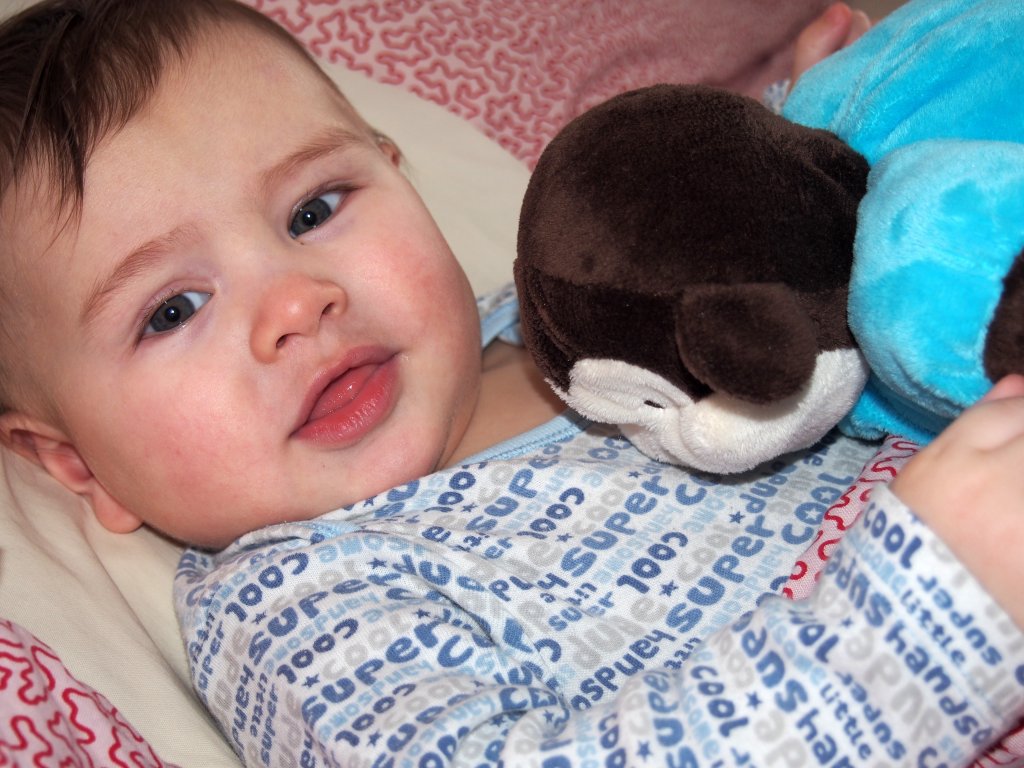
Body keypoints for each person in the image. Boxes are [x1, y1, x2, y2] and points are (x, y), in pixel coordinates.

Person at [0, 0, 1021, 765]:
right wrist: (921, 624)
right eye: (172, 310)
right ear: (74, 462)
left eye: (315, 209)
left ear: (395, 169)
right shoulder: (303, 607)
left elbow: (727, 263)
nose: (297, 303)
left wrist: (806, 150)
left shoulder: (554, 302)